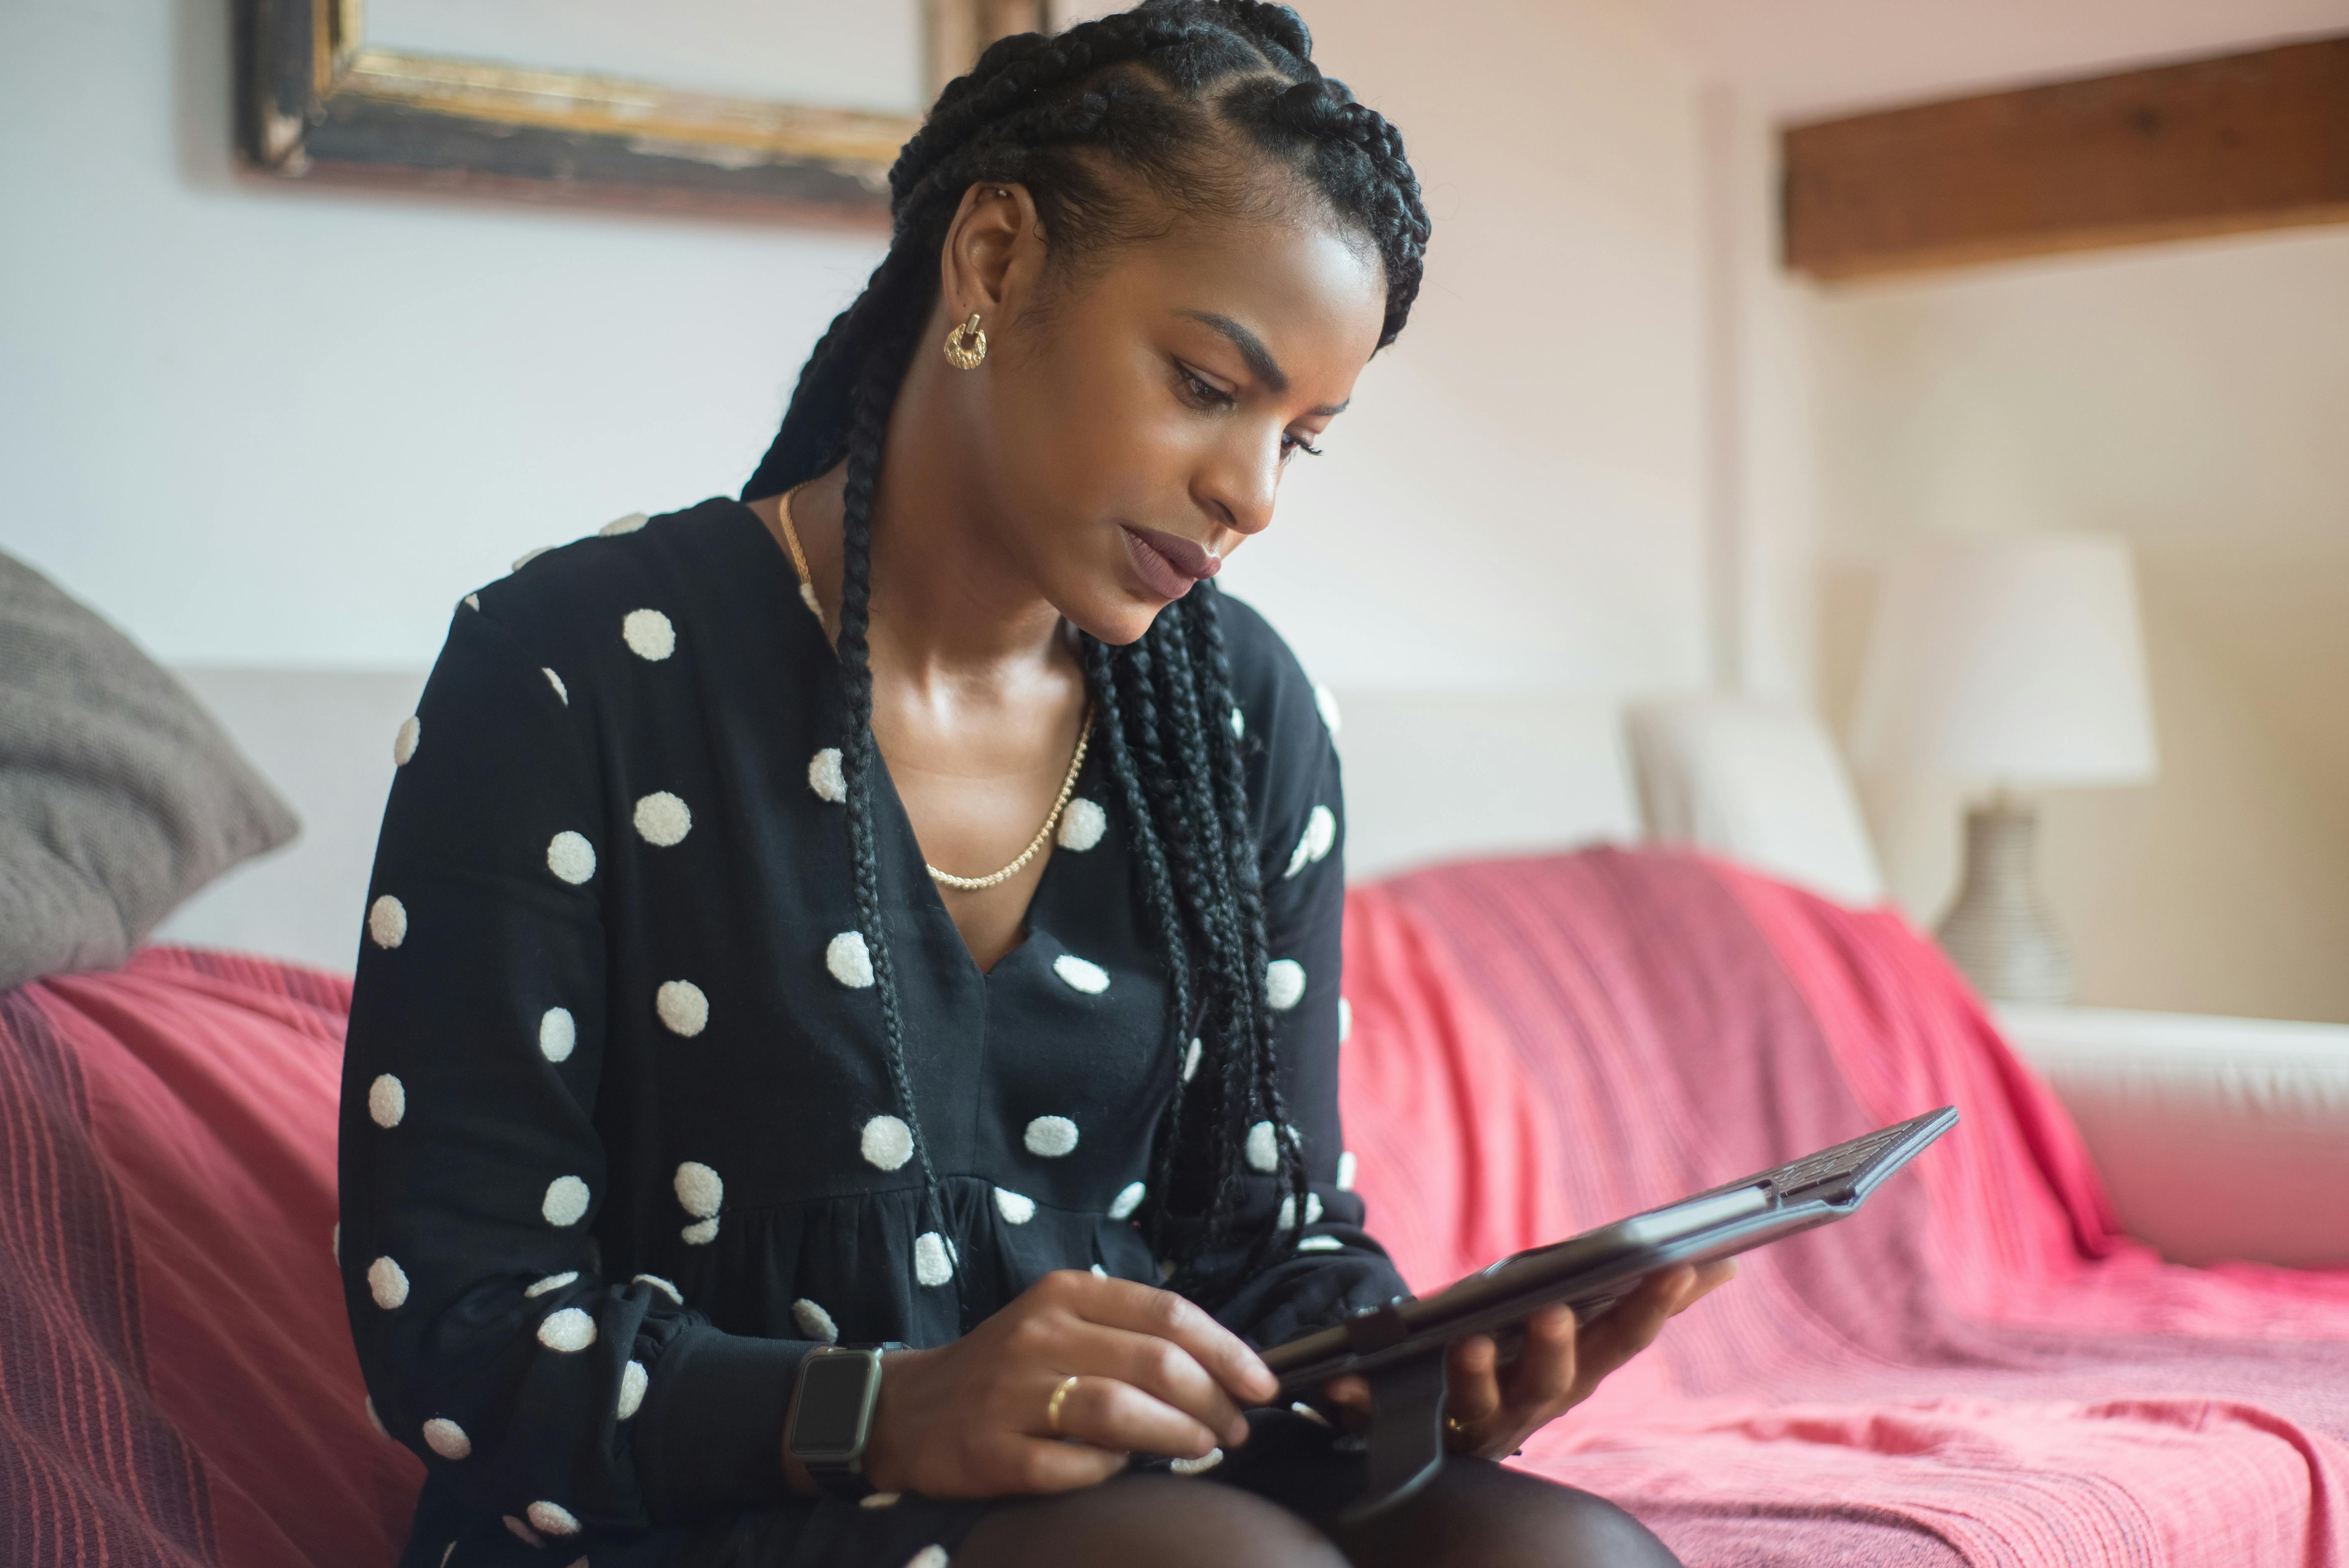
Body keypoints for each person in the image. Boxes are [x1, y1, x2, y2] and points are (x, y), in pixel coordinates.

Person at [337, 4, 1732, 1565]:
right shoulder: (577, 668)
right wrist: (889, 1407)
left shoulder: (1242, 718)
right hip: (696, 1517)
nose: (1251, 495)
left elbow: (1270, 1251)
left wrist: (1413, 1376)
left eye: (1305, 440)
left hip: (1126, 1502)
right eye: (1209, 383)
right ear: (994, 261)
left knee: (1568, 1558)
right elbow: (456, 1328)